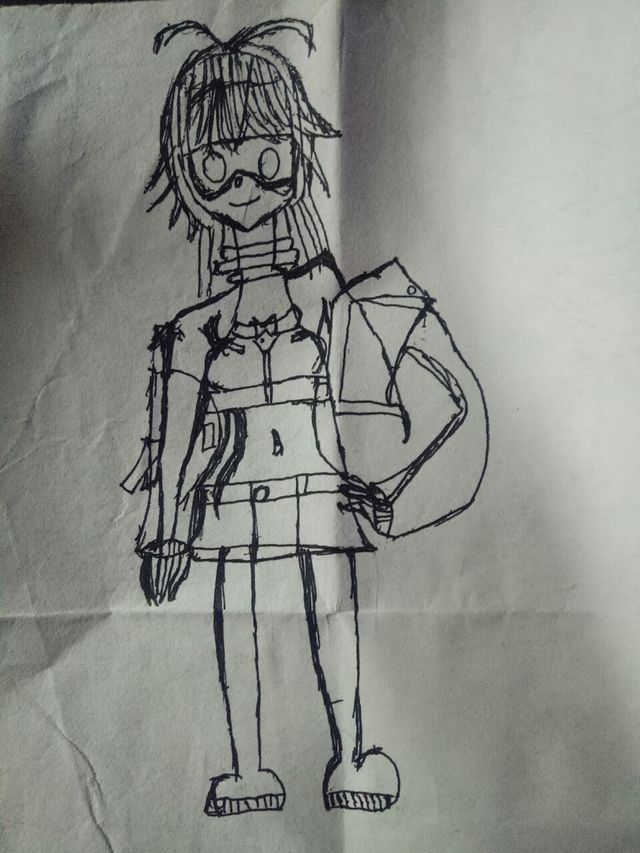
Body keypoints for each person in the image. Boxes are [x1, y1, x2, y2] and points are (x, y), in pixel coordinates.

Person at [122, 18, 489, 817]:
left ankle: (351, 753)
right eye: (214, 162)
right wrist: (166, 531)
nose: (240, 181)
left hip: (323, 486)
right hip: (230, 498)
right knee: (241, 621)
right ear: (188, 170)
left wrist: (396, 486)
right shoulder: (195, 328)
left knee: (334, 614)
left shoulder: (331, 296)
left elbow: (456, 396)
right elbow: (175, 441)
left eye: (263, 155)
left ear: (293, 152)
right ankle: (247, 768)